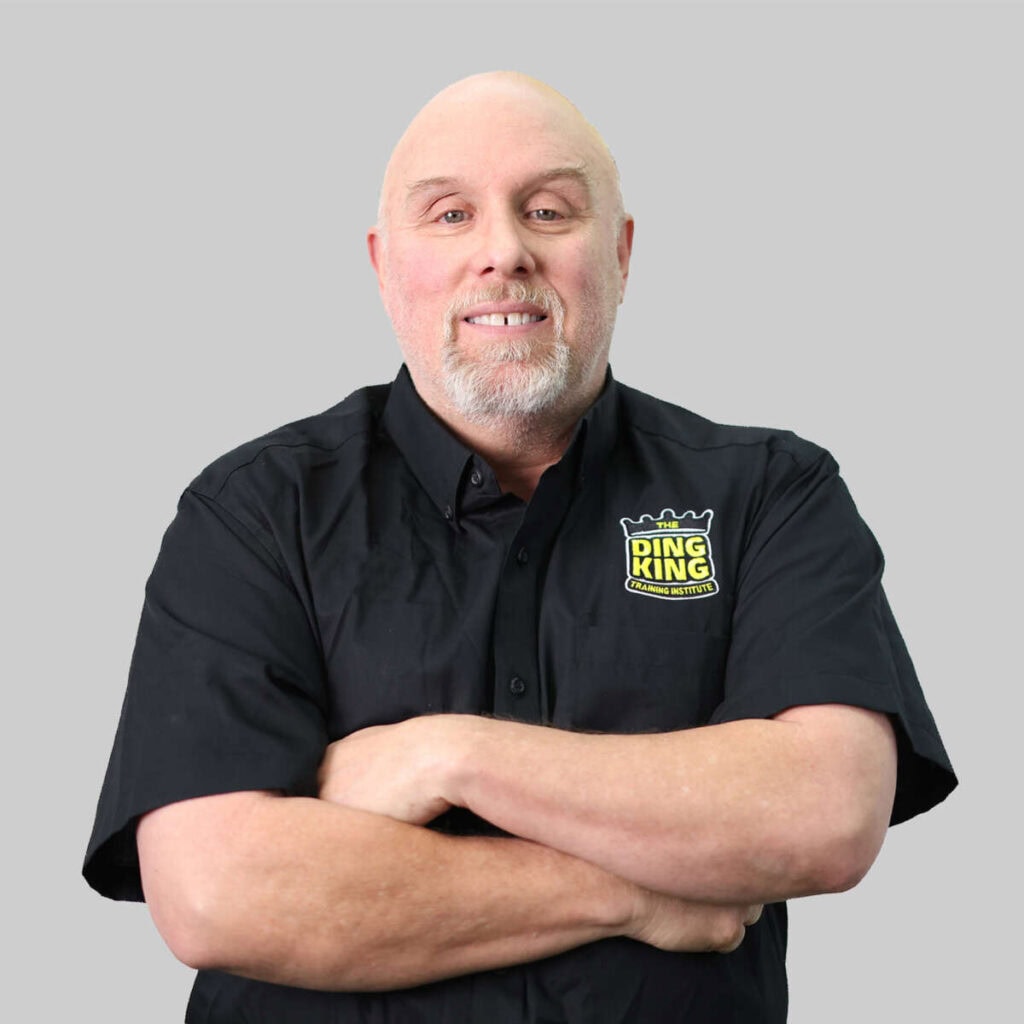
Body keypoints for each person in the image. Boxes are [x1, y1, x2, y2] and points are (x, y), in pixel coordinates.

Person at [84, 71, 956, 1023]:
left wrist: (442, 757)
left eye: (548, 210)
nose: (503, 252)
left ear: (620, 253)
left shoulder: (770, 495)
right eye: (450, 215)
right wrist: (633, 892)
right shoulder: (252, 513)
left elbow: (824, 814)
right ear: (384, 265)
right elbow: (216, 892)